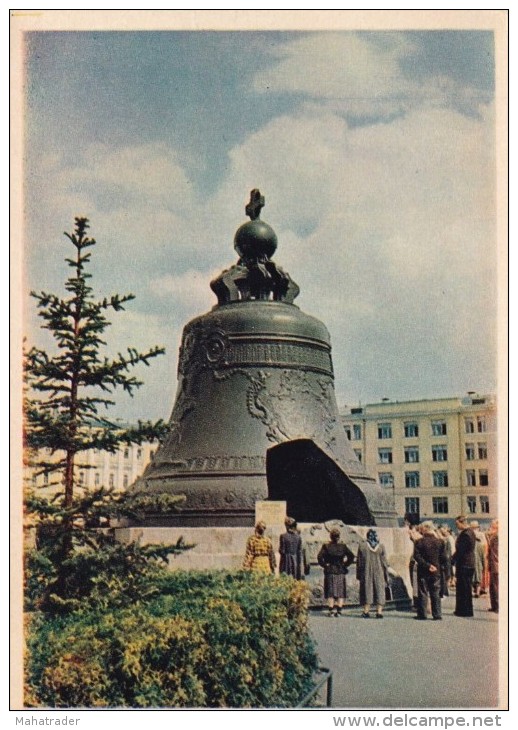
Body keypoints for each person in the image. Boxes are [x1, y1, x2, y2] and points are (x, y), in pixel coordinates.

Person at [413, 521, 447, 620]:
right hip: (436, 571)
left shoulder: (419, 542)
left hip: (423, 570)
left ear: (425, 528)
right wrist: (437, 566)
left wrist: (427, 566)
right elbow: (444, 557)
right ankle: (437, 614)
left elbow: (417, 556)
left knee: (423, 592)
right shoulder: (440, 542)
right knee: (435, 592)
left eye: (422, 528)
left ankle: (422, 614)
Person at [317, 527, 355, 617]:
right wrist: (345, 565)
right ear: (339, 537)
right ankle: (339, 610)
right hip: (340, 569)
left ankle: (331, 610)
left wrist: (325, 565)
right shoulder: (343, 546)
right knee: (340, 591)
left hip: (330, 569)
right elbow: (352, 556)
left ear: (331, 537)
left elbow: (319, 557)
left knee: (330, 591)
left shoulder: (326, 546)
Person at [356, 528, 390, 618]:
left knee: (367, 589)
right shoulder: (381, 547)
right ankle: (379, 612)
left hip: (366, 571)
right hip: (379, 571)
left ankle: (366, 611)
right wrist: (386, 576)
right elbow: (384, 562)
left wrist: (359, 575)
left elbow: (359, 562)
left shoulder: (362, 546)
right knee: (379, 589)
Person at [452, 515, 476, 617]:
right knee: (466, 588)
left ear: (462, 523)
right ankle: (465, 609)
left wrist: (452, 560)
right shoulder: (470, 532)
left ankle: (463, 610)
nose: (457, 526)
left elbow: (461, 550)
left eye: (457, 524)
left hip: (464, 564)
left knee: (463, 588)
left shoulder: (465, 534)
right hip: (469, 563)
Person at [470, 521, 487, 598]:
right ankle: (477, 591)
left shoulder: (469, 537)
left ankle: (472, 591)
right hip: (479, 561)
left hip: (471, 561)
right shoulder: (481, 538)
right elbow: (483, 554)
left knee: (471, 577)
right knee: (478, 578)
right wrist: (484, 565)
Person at [486, 519, 499, 613]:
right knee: (493, 586)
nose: (490, 527)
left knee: (496, 587)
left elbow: (496, 553)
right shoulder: (494, 536)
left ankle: (497, 606)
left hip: (496, 565)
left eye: (493, 525)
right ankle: (494, 605)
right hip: (493, 565)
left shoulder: (498, 537)